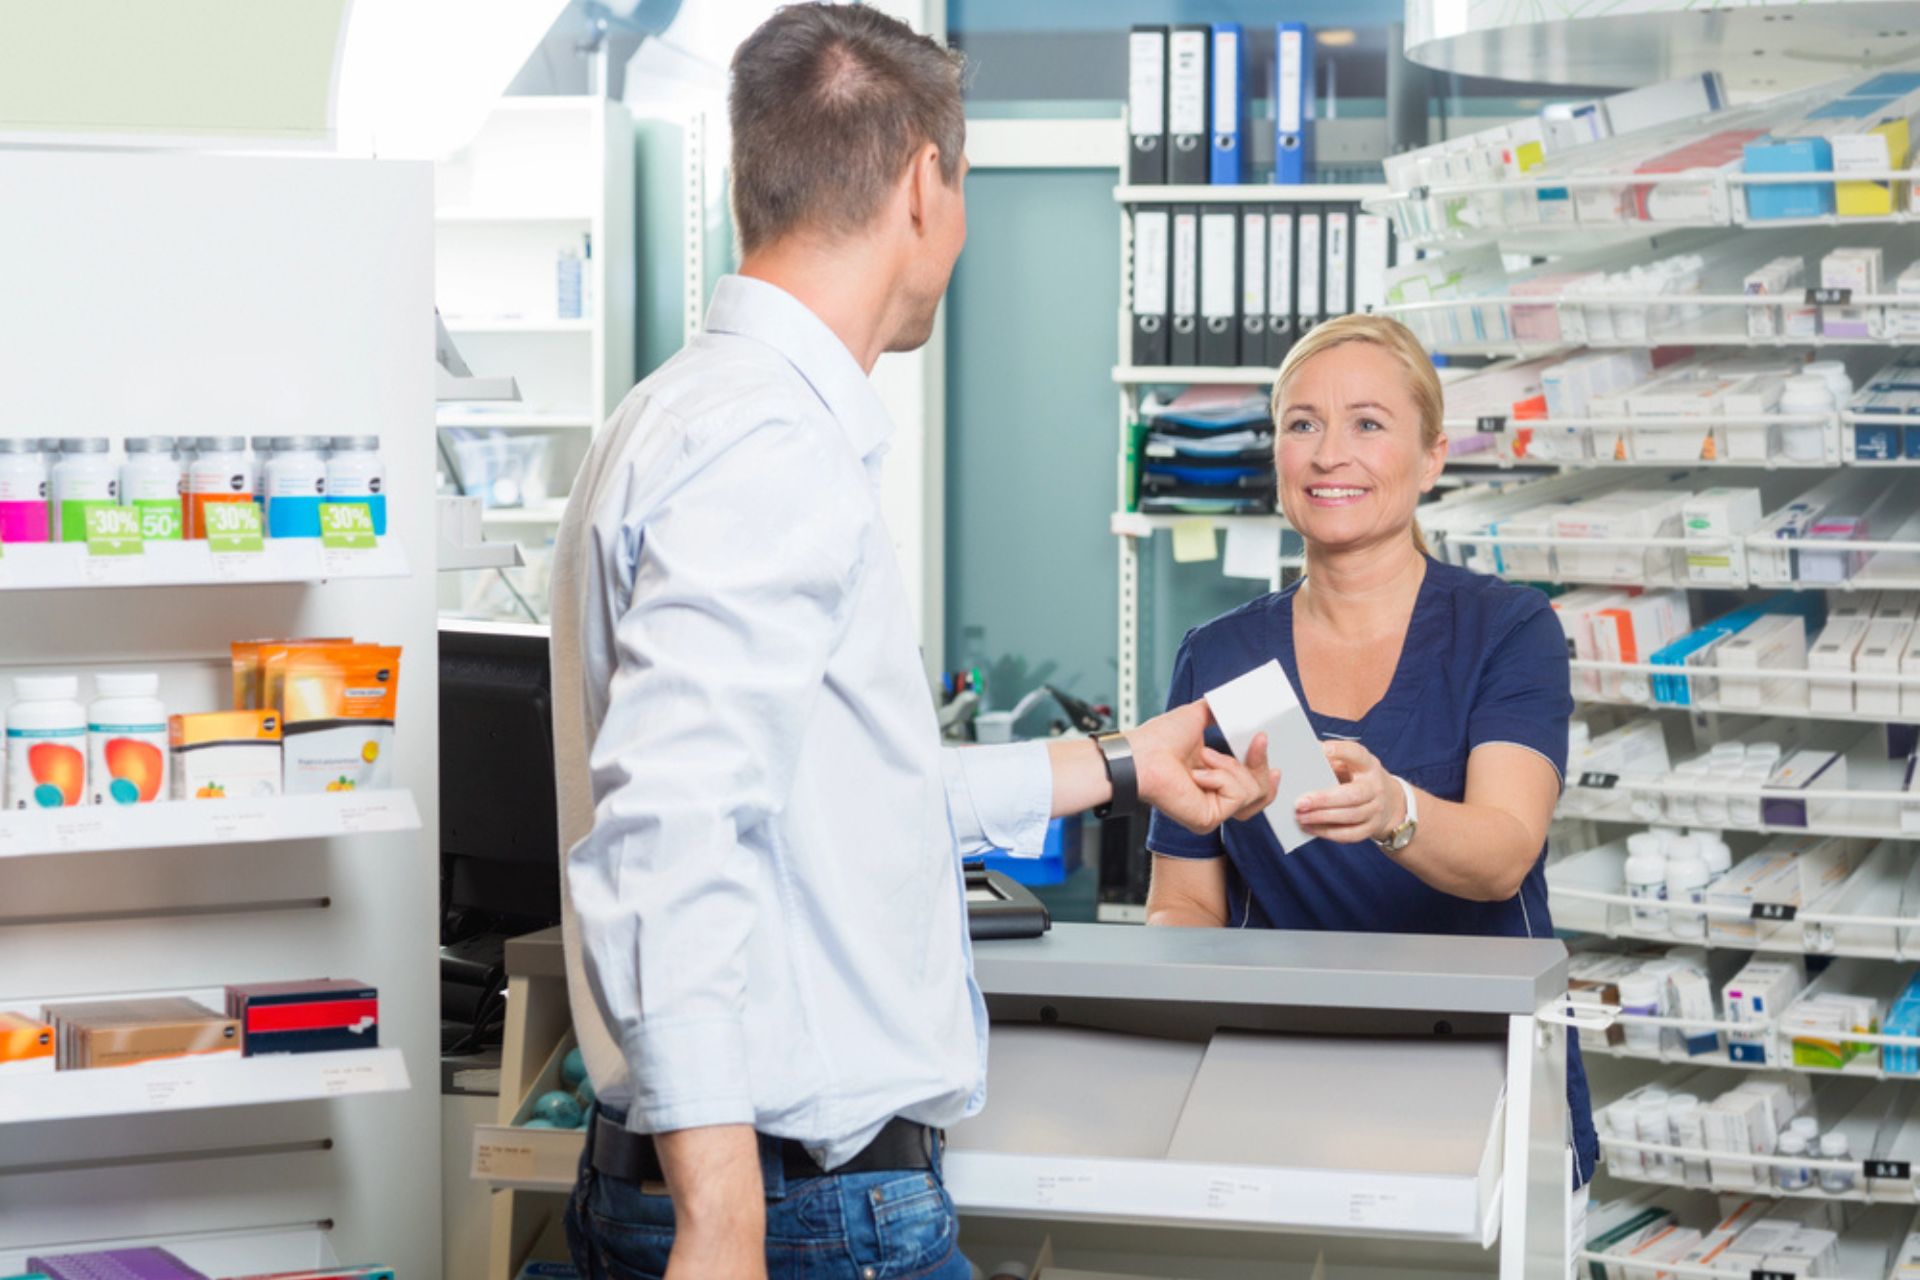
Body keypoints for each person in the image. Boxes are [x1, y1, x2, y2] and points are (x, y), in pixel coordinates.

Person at [547, 8, 1277, 1280]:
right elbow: (669, 826)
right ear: (926, 186)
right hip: (800, 1213)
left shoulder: (677, 415)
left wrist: (1117, 764)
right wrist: (726, 1224)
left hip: (745, 1187)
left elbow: (835, 799)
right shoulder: (771, 447)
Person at [1142, 312, 1601, 1192]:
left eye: (1368, 424)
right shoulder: (1222, 657)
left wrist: (1398, 812)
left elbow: (1504, 855)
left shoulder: (1507, 629)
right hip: (1282, 1083)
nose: (1327, 454)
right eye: (1301, 423)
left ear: (1431, 457)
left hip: (1481, 1077)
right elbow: (1184, 909)